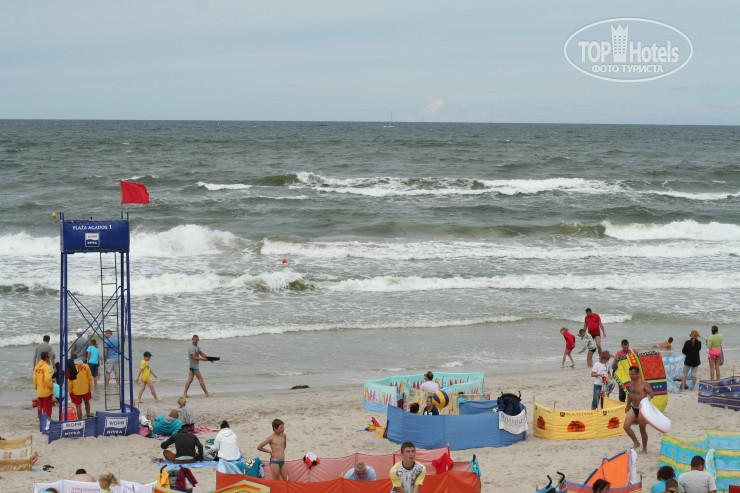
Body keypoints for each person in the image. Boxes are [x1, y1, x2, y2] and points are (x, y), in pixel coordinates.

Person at [623, 365, 654, 454]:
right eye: (630, 374)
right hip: (634, 407)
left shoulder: (643, 383)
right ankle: (636, 442)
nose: (631, 376)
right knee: (626, 426)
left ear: (637, 374)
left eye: (632, 374)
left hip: (642, 408)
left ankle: (644, 449)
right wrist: (627, 405)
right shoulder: (631, 382)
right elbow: (630, 395)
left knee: (642, 428)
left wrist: (647, 399)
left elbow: (651, 394)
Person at [33, 351, 54, 419]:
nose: (49, 358)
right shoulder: (47, 367)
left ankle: (41, 420)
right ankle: (47, 421)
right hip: (47, 391)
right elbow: (47, 379)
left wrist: (36, 387)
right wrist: (51, 386)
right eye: (49, 357)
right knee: (47, 408)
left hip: (40, 391)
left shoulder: (37, 367)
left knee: (40, 408)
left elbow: (34, 379)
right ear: (46, 358)